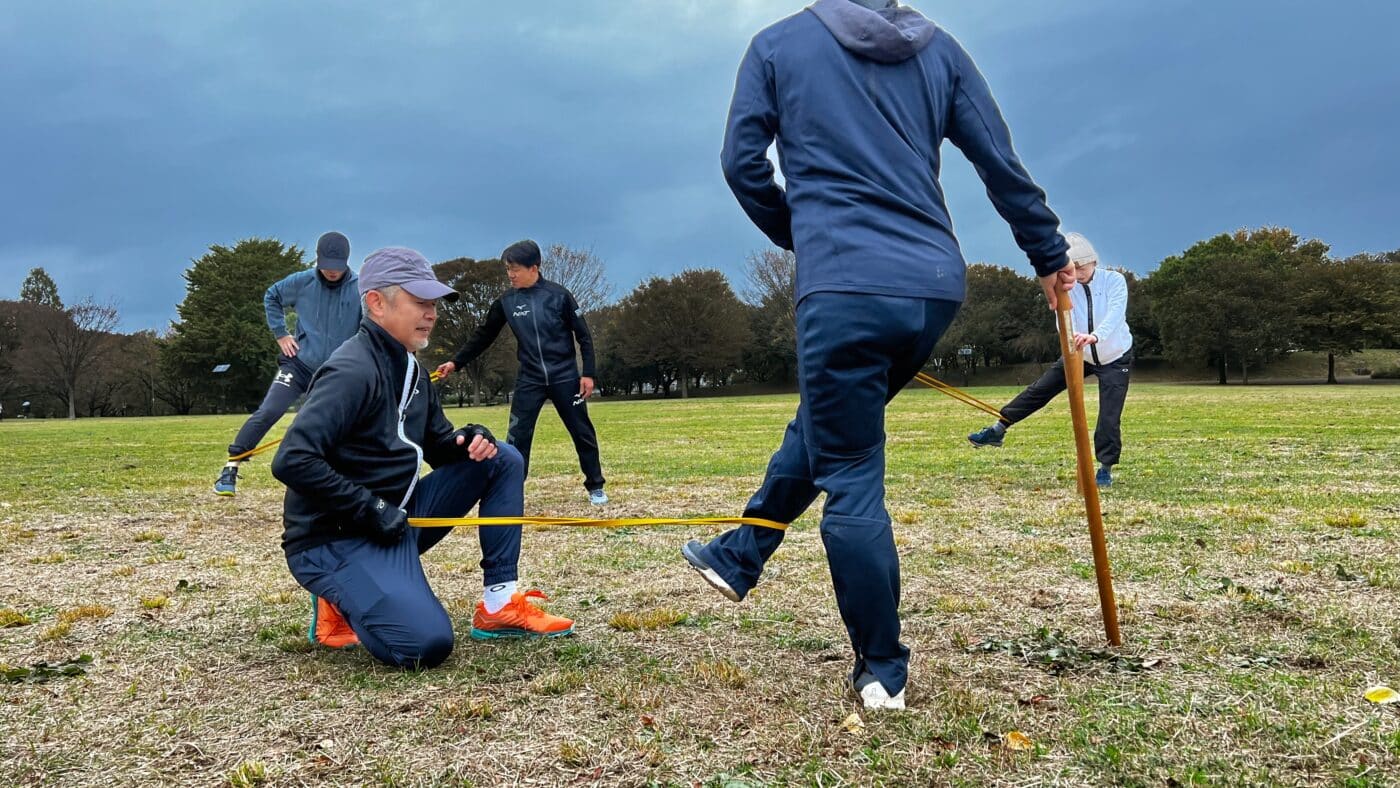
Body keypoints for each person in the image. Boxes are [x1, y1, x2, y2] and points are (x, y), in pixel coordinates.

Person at [680, 0, 1075, 711]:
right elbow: (998, 158)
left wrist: (803, 232)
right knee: (834, 428)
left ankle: (883, 667)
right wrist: (1047, 252)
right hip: (931, 288)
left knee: (852, 470)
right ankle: (742, 552)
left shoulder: (776, 45)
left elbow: (741, 164)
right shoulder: (942, 49)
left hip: (844, 285)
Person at [271, 246, 573, 668]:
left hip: (392, 523)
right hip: (334, 539)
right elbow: (291, 460)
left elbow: (437, 446)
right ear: (376, 302)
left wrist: (469, 440)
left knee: (501, 457)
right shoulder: (351, 371)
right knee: (423, 645)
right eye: (419, 302)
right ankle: (339, 596)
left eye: (433, 304)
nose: (431, 313)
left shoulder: (412, 369)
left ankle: (499, 604)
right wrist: (371, 508)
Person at [434, 240, 608, 505]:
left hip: (565, 377)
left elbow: (584, 336)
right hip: (530, 379)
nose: (510, 274)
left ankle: (595, 486)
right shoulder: (507, 301)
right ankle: (510, 490)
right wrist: (456, 362)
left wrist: (588, 373)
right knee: (517, 438)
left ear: (534, 267)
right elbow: (484, 335)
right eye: (507, 269)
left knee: (581, 431)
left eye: (515, 269)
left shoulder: (559, 295)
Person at [967, 232, 1133, 487]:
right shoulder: (1066, 287)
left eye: (1082, 267)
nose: (1078, 274)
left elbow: (1115, 314)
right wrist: (1072, 342)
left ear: (1094, 262)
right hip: (1079, 353)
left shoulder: (1114, 281)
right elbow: (1062, 318)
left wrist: (1095, 336)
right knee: (1040, 389)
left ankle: (1105, 468)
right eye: (1073, 268)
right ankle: (998, 430)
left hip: (1114, 356)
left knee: (1109, 415)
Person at [214, 232, 363, 496]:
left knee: (331, 426)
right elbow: (272, 296)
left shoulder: (360, 288)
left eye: (336, 266)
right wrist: (281, 334)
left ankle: (331, 479)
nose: (331, 271)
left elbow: (370, 326)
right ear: (318, 259)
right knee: (269, 410)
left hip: (336, 373)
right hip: (299, 365)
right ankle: (231, 467)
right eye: (326, 264)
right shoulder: (301, 281)